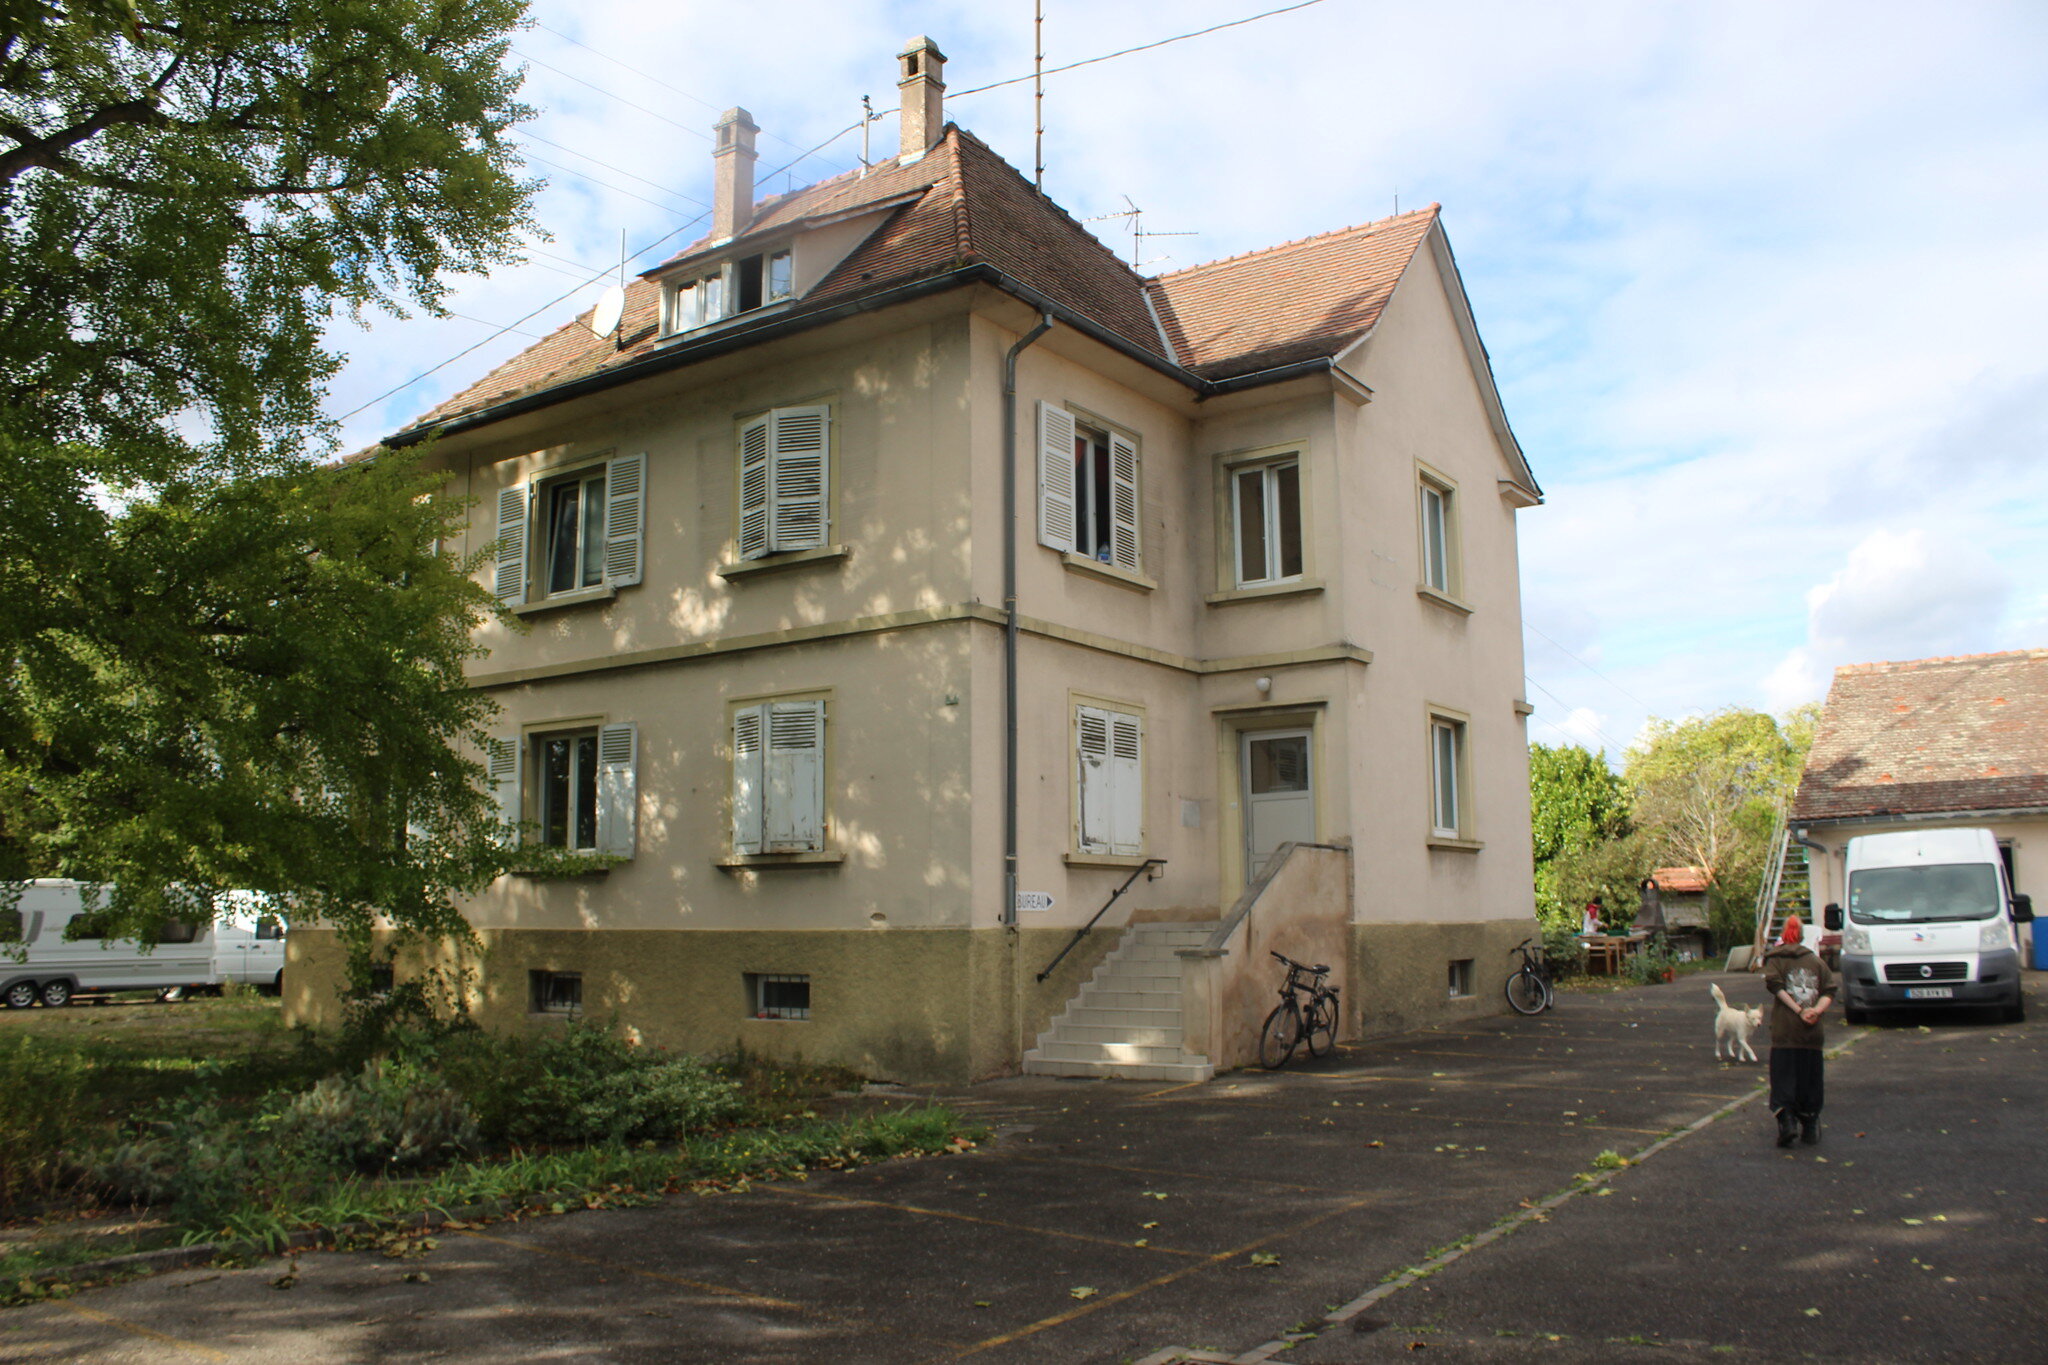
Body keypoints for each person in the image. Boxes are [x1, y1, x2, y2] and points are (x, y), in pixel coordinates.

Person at [1761, 914, 1837, 1147]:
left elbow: (1776, 987)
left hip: (1785, 1033)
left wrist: (1798, 1010)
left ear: (1783, 935)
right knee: (1810, 1079)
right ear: (1803, 936)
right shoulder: (1816, 961)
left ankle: (1787, 1123)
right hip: (1811, 1034)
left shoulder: (1775, 959)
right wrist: (1814, 1011)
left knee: (1783, 1079)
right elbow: (1829, 990)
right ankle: (1811, 1125)